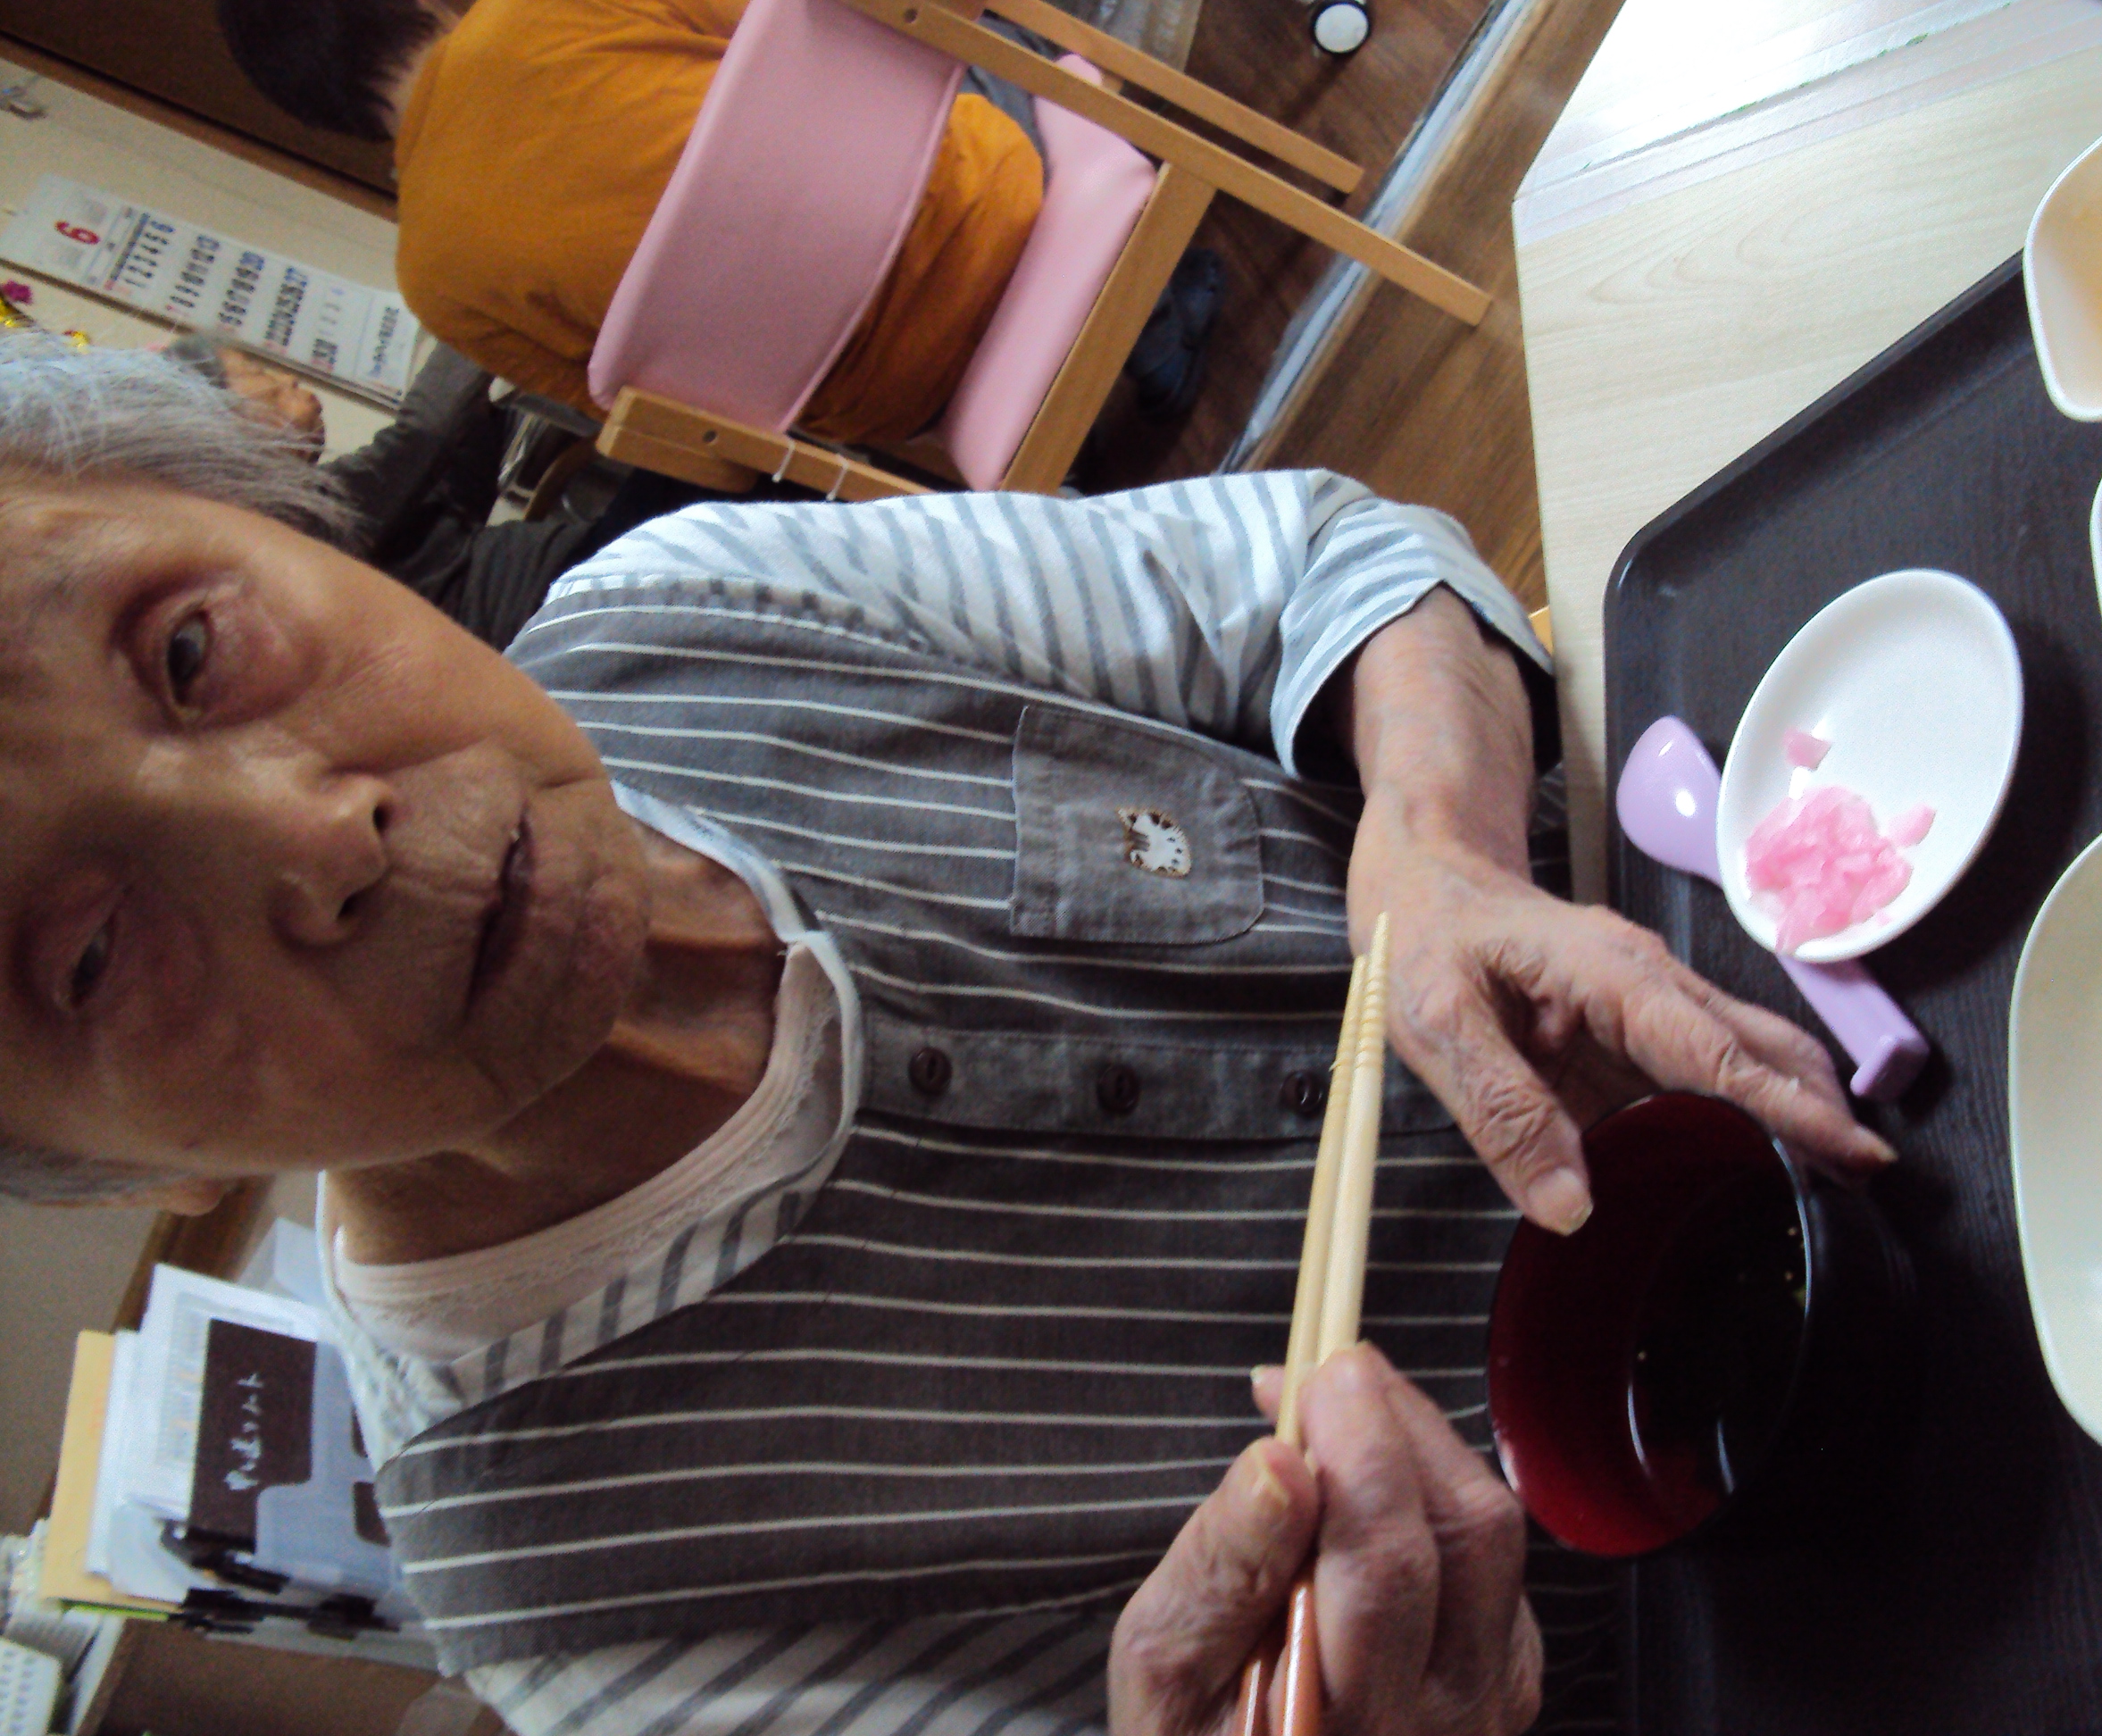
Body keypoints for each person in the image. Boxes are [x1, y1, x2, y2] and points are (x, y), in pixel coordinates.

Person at [0, 335, 1892, 1734]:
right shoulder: (581, 1606)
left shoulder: (684, 611)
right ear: (118, 1173)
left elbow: (1319, 559)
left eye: (186, 650)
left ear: (282, 527)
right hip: (1823, 1615)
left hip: (1837, 958)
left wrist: (1440, 841)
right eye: (85, 956)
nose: (316, 839)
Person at [215, 0, 1046, 446]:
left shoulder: (433, 283)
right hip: (1005, 205)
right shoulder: (540, 14)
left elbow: (657, 421)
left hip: (900, 404)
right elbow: (833, 25)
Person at [165, 335, 605, 647]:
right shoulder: (288, 527)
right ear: (223, 429)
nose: (287, 378)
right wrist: (475, 321)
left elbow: (458, 497)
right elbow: (423, 433)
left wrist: (485, 405)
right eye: (256, 372)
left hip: (537, 591)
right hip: (547, 608)